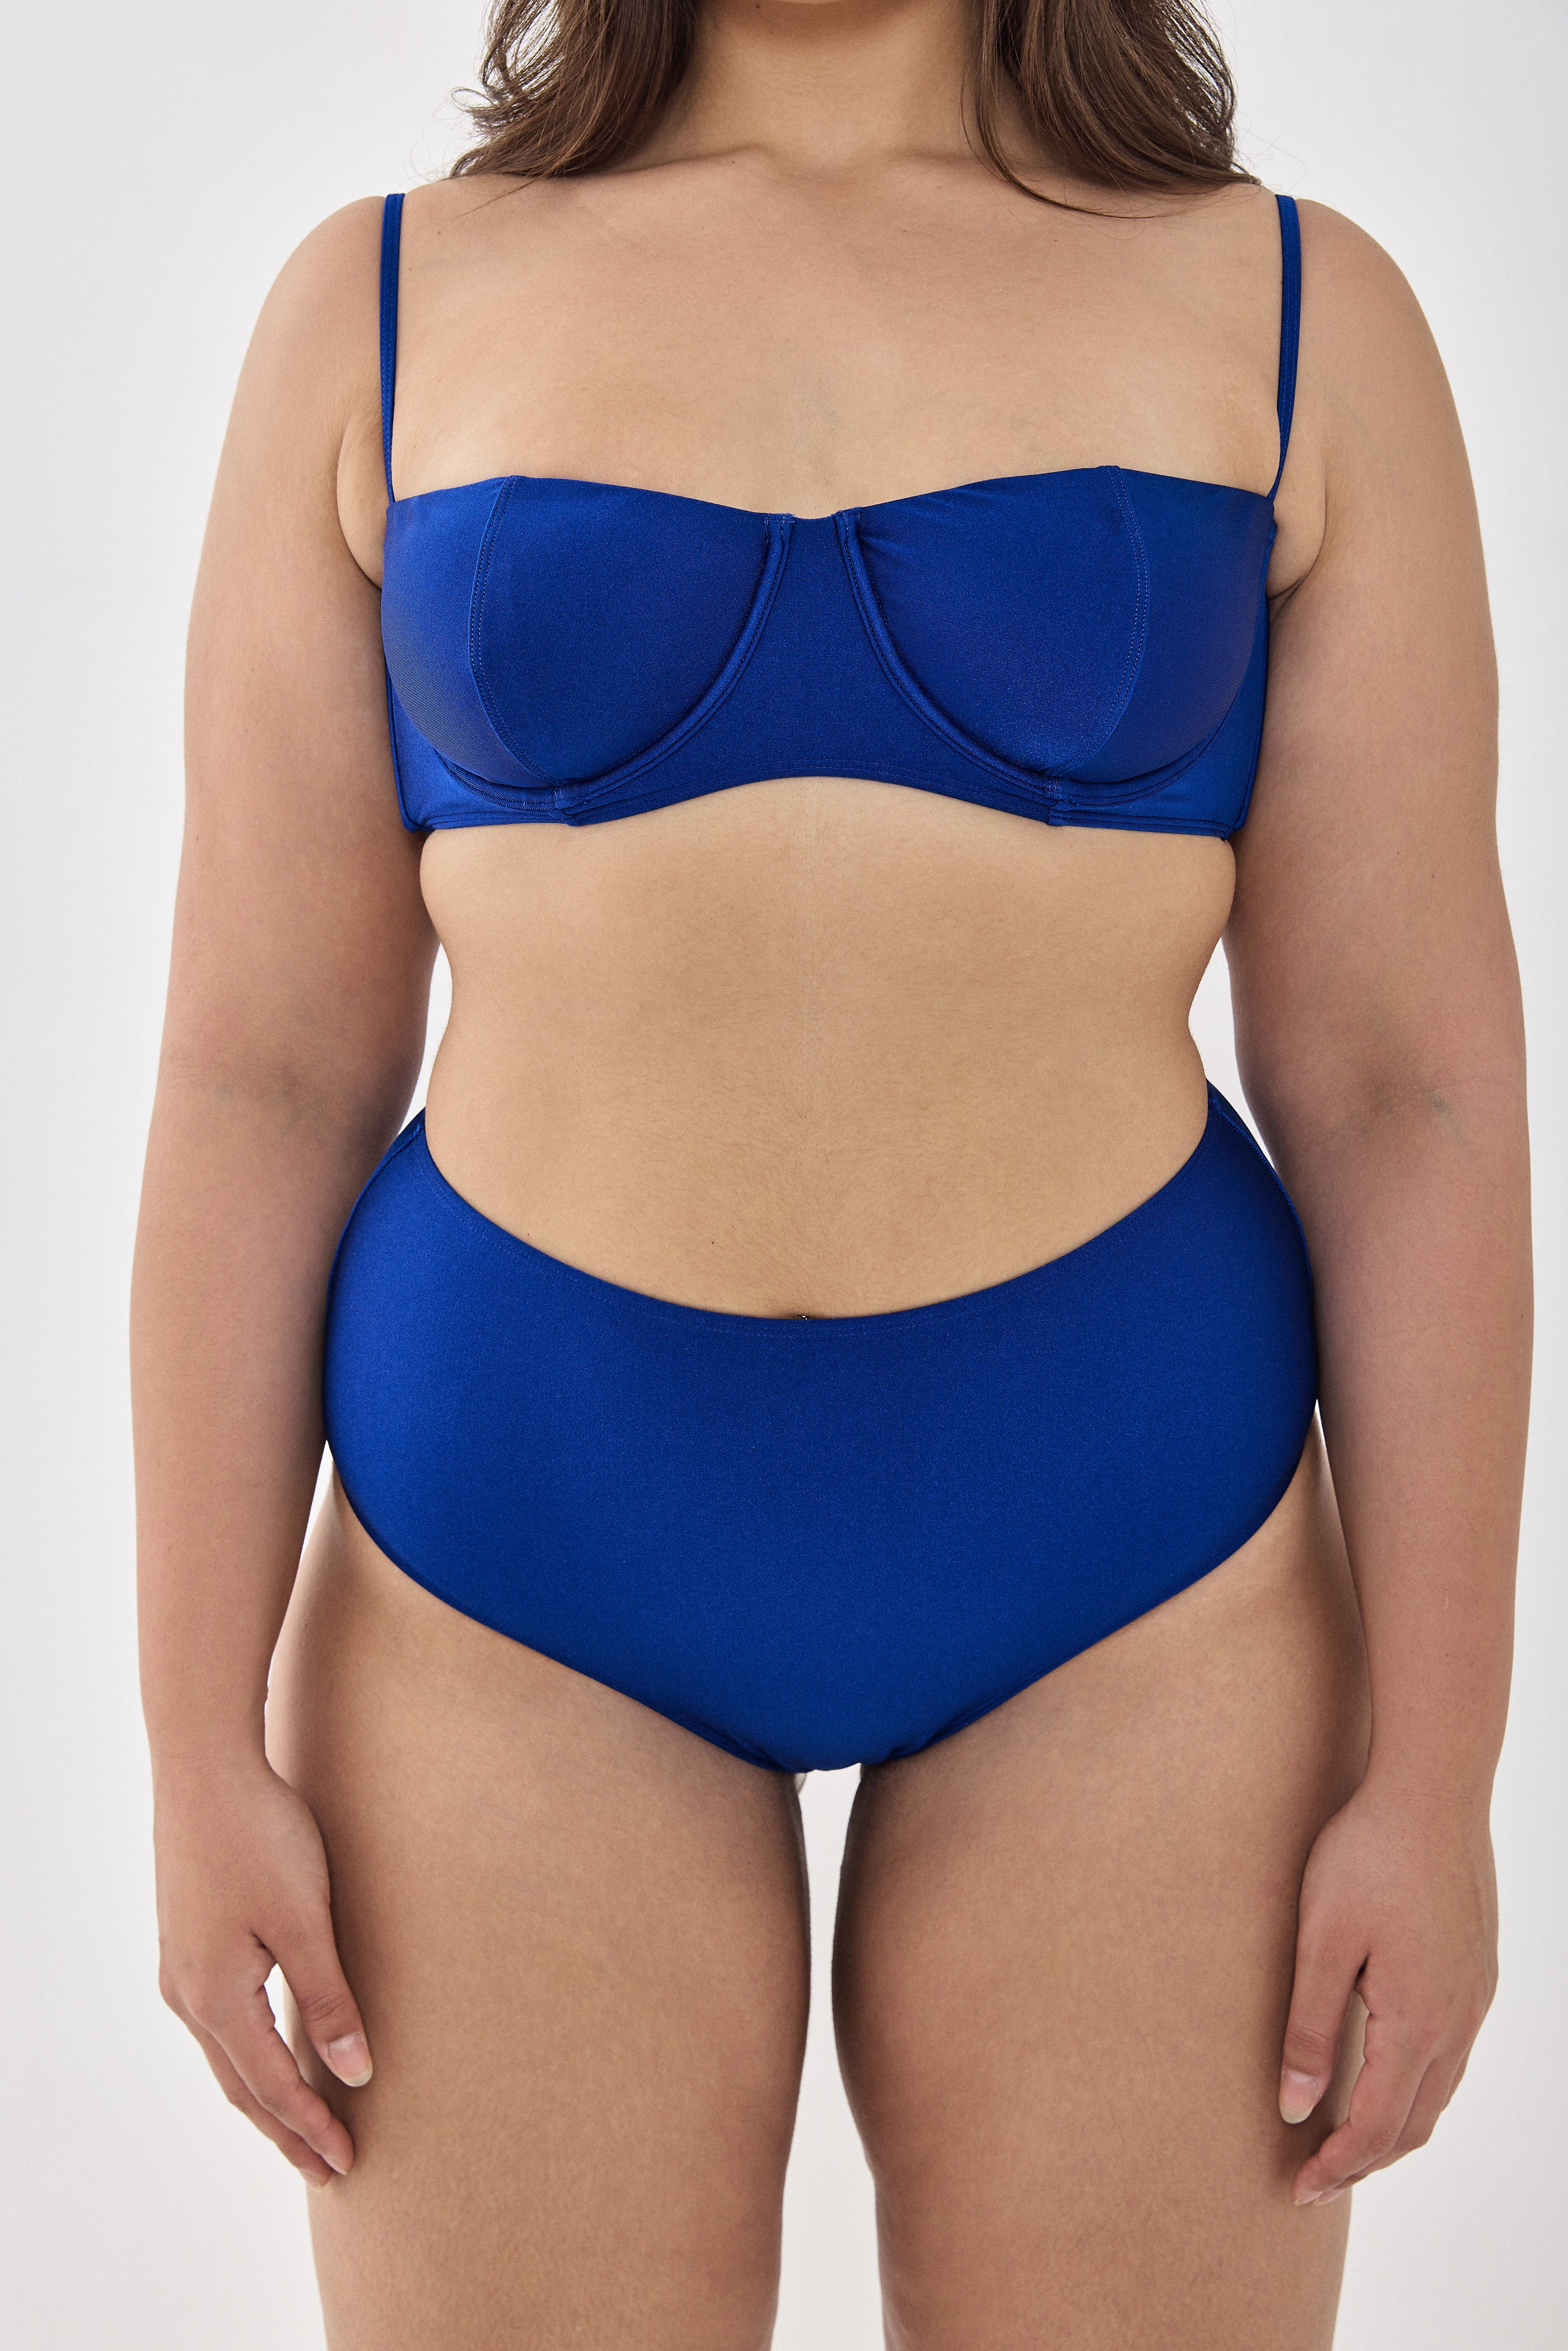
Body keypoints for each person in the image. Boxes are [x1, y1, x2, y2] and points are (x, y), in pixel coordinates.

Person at [130, 0, 1530, 2341]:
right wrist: (189, 1747)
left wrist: (1442, 1777)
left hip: (1139, 1564)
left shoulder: (1296, 307)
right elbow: (258, 1078)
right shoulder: (378, 302)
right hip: (510, 1558)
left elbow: (1407, 1094)